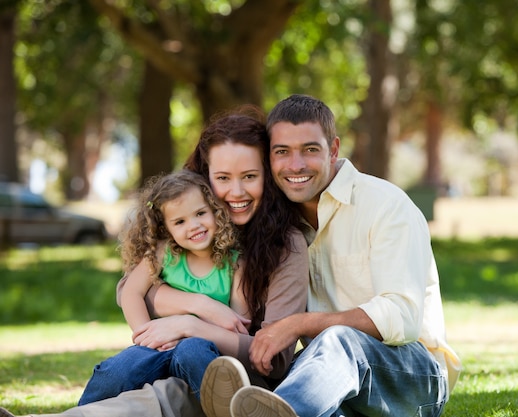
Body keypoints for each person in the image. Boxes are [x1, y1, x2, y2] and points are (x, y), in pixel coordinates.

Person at [0, 111, 309, 417]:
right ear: (204, 179)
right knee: (122, 373)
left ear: (267, 177)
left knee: (163, 393)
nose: (236, 192)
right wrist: (196, 305)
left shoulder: (282, 246)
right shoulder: (176, 239)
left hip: (231, 374)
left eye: (250, 176)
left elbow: (273, 357)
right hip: (166, 354)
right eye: (223, 178)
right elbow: (130, 290)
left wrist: (190, 324)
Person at [211, 94, 461, 417]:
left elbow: (401, 316)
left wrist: (299, 324)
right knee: (291, 379)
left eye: (310, 150)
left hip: (413, 377)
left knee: (339, 340)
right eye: (282, 152)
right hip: (333, 379)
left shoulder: (386, 206)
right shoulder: (277, 225)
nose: (296, 165)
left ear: (333, 149)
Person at [78, 169, 246, 405]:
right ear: (167, 229)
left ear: (215, 211)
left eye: (200, 213)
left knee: (193, 352)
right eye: (180, 221)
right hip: (160, 345)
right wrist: (146, 335)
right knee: (116, 370)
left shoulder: (234, 264)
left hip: (204, 347)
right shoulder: (163, 253)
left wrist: (195, 330)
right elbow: (131, 293)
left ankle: (227, 410)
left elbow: (238, 326)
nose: (194, 226)